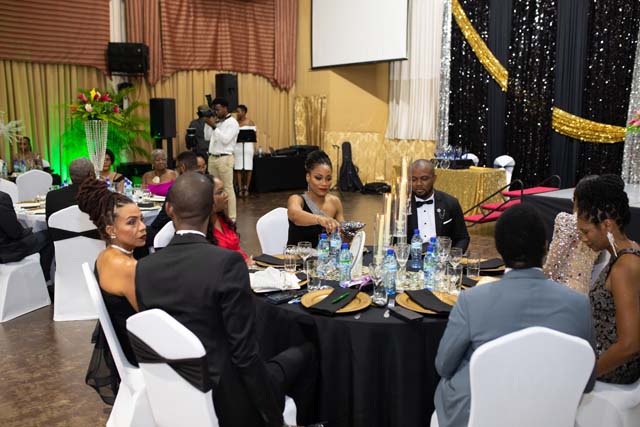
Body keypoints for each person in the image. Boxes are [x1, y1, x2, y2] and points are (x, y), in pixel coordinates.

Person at [135, 172, 315, 427]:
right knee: (306, 351)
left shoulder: (144, 268)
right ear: (211, 208)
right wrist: (272, 416)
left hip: (171, 391)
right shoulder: (226, 263)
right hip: (226, 397)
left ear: (169, 209)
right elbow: (244, 355)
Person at [434, 204, 595, 427]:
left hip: (479, 417)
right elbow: (587, 381)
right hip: (548, 416)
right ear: (545, 246)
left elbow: (444, 366)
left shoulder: (472, 301)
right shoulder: (579, 304)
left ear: (499, 249)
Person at [76, 179, 147, 404]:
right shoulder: (126, 266)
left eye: (142, 219)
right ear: (111, 230)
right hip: (140, 352)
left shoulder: (105, 256)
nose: (142, 227)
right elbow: (149, 319)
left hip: (126, 342)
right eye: (132, 222)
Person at [575, 174, 640, 384]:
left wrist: (587, 375)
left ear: (607, 226)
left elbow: (630, 344)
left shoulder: (624, 267)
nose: (583, 239)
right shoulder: (631, 249)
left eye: (586, 232)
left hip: (613, 369)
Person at [543, 175, 601, 294]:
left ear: (577, 199)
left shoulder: (565, 220)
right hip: (583, 293)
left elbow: (553, 263)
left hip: (559, 290)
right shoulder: (603, 227)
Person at [407, 159, 469, 252]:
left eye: (424, 179)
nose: (418, 184)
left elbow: (462, 238)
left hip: (442, 257)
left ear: (434, 179)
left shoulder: (450, 203)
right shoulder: (401, 205)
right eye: (414, 179)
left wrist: (452, 256)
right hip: (412, 258)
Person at [287, 150, 343, 247]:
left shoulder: (335, 202)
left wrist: (349, 234)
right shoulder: (296, 199)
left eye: (328, 179)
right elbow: (295, 215)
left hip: (325, 255)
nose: (324, 183)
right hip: (297, 255)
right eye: (318, 178)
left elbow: (342, 234)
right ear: (308, 177)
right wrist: (320, 219)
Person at [145, 151, 200, 246]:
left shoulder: (178, 187)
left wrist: (153, 227)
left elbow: (164, 215)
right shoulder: (208, 182)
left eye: (177, 167)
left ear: (183, 167)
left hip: (179, 229)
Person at [0, 190, 53, 281]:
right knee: (49, 235)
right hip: (7, 250)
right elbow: (15, 233)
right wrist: (27, 231)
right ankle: (43, 280)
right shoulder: (2, 198)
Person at [207, 176, 253, 265]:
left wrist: (247, 262)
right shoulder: (202, 227)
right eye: (220, 192)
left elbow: (236, 249)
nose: (226, 195)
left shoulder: (223, 218)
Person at [207, 97, 239, 221]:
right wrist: (209, 124)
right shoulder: (218, 122)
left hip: (225, 158)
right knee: (213, 188)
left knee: (227, 188)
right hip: (212, 157)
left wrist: (214, 126)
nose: (216, 112)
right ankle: (217, 215)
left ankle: (232, 217)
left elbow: (225, 140)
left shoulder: (232, 123)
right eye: (214, 110)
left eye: (218, 109)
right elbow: (207, 136)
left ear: (225, 108)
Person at [45, 157, 95, 222]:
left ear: (70, 176)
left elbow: (49, 223)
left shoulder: (52, 196)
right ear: (91, 175)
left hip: (61, 229)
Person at [234, 104, 256, 197]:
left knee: (248, 167)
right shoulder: (235, 123)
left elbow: (254, 136)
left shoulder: (250, 122)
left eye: (238, 111)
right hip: (237, 147)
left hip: (247, 147)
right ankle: (240, 188)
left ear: (244, 112)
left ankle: (246, 188)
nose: (237, 113)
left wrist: (254, 148)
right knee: (238, 167)